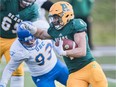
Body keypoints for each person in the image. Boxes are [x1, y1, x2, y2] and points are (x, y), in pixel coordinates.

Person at [22, 1, 108, 87]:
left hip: (89, 67)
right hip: (74, 73)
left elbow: (82, 51)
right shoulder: (54, 30)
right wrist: (32, 29)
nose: (54, 21)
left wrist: (64, 53)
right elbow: (41, 34)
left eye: (56, 17)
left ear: (66, 15)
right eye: (53, 18)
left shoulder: (75, 25)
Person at [0, 22, 69, 87]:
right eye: (27, 41)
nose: (31, 42)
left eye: (32, 38)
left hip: (57, 66)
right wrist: (3, 84)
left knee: (76, 84)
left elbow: (57, 34)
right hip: (42, 77)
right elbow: (10, 68)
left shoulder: (42, 27)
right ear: (20, 40)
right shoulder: (18, 50)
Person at [0, 0, 39, 87]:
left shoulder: (33, 10)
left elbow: (33, 29)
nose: (26, 3)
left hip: (14, 41)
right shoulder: (9, 1)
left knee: (17, 71)